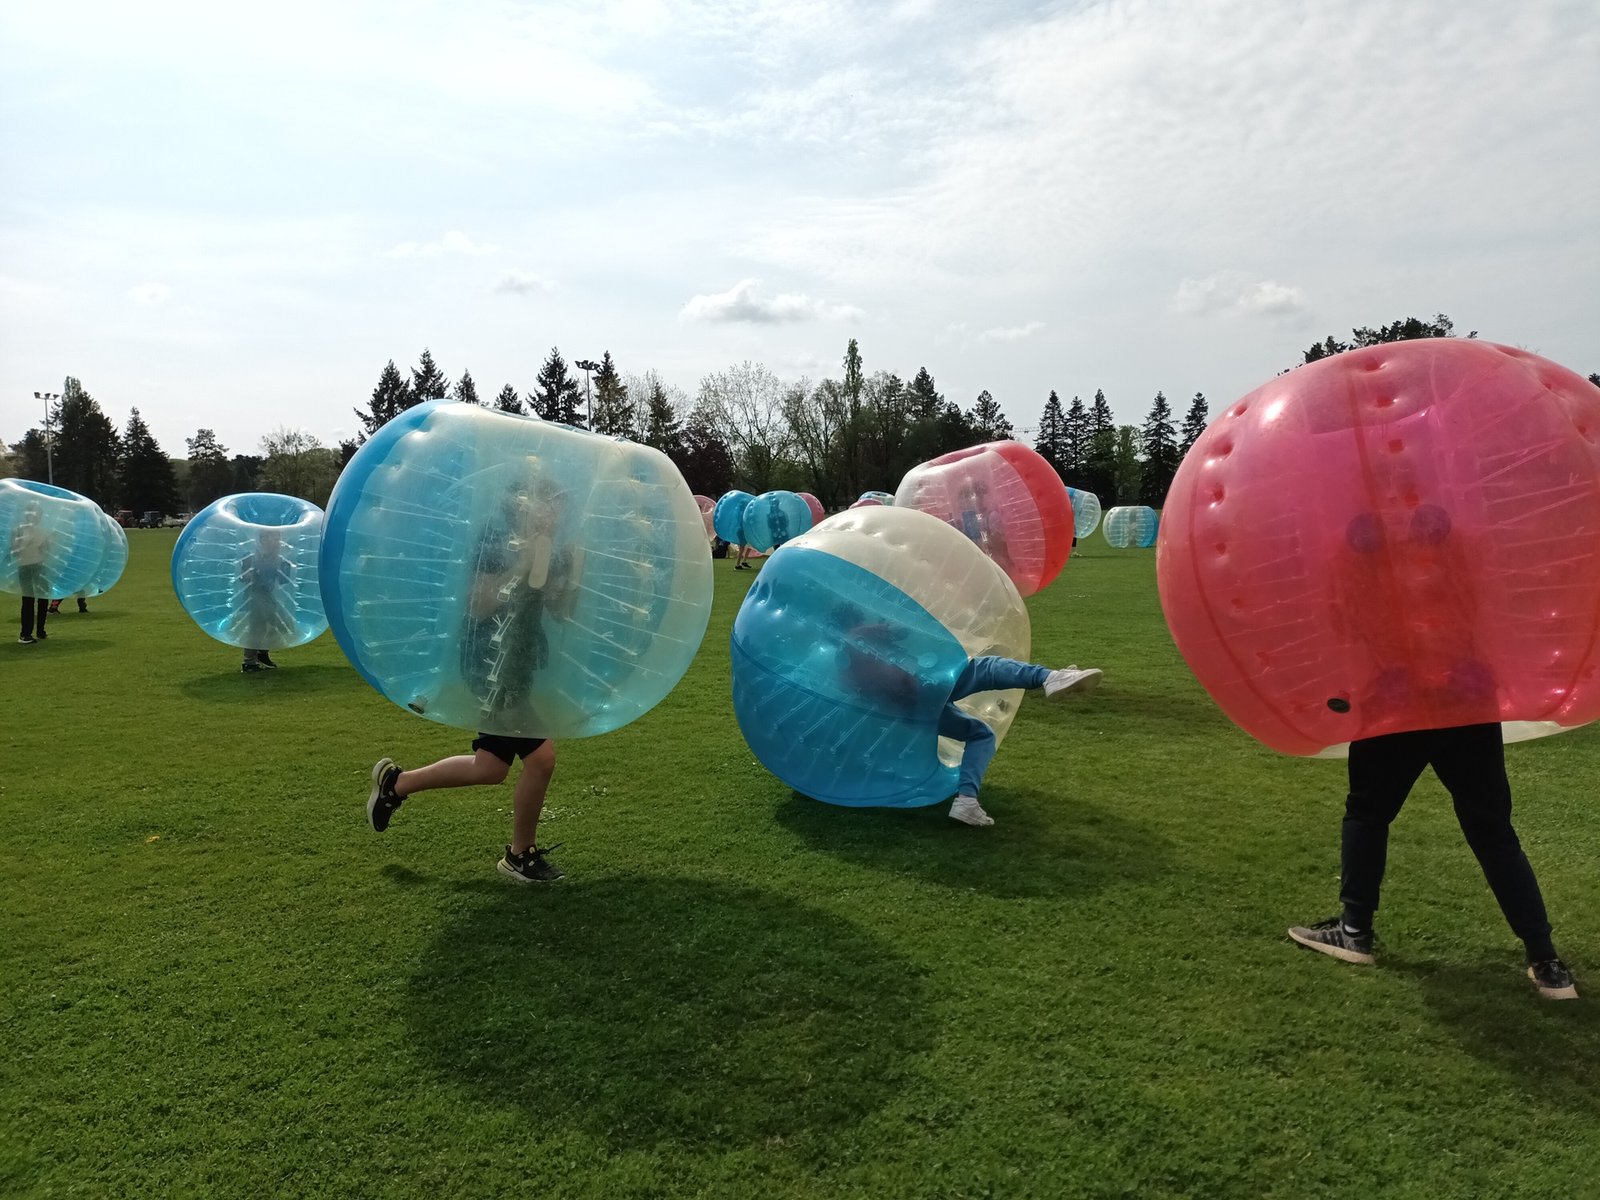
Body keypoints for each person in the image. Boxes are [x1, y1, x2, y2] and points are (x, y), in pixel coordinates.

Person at [1288, 506, 1578, 1001]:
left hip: (1399, 697)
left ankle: (1355, 929)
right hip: (1466, 694)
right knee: (1492, 832)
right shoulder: (1456, 549)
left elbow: (1343, 621)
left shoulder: (1364, 553)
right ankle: (1545, 959)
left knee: (1368, 812)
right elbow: (1484, 599)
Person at [368, 475, 579, 883]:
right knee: (541, 758)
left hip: (519, 664)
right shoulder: (495, 540)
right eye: (547, 501)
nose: (555, 511)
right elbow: (479, 604)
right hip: (488, 662)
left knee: (490, 768)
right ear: (522, 503)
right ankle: (521, 855)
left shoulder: (552, 548)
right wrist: (522, 562)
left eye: (559, 504)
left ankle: (397, 784)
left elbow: (561, 612)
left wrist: (568, 577)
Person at [837, 608, 1102, 827]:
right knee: (987, 668)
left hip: (907, 710)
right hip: (922, 688)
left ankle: (967, 803)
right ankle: (1050, 678)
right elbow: (901, 629)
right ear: (856, 619)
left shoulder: (843, 665)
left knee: (980, 733)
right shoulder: (858, 634)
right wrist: (894, 621)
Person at [235, 528, 292, 673]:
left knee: (274, 626)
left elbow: (283, 580)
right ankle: (250, 661)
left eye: (278, 538)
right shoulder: (252, 557)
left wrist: (285, 567)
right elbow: (242, 577)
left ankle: (259, 654)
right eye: (275, 538)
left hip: (268, 595)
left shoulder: (277, 558)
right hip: (254, 595)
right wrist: (249, 575)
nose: (278, 542)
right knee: (260, 626)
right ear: (263, 539)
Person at [12, 502, 49, 645]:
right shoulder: (18, 530)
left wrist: (45, 546)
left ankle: (41, 630)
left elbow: (46, 550)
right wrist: (24, 544)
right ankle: (25, 634)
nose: (37, 516)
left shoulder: (41, 531)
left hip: (39, 566)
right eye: (34, 513)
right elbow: (14, 551)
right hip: (25, 567)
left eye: (39, 514)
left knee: (43, 598)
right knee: (28, 600)